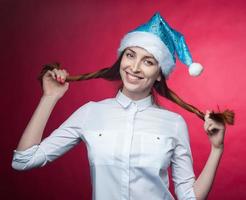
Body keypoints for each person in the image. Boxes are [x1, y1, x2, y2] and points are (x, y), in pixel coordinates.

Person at [12, 12, 233, 200]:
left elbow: (189, 197)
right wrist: (49, 98)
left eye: (148, 61)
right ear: (121, 59)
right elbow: (24, 161)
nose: (135, 67)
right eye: (130, 55)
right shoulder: (91, 113)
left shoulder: (174, 124)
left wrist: (217, 149)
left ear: (159, 74)